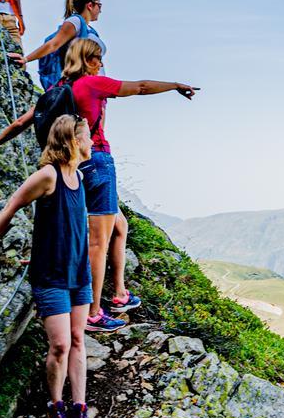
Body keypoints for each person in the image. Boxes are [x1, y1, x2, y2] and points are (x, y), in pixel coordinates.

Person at [0, 114, 96, 418]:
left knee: (78, 340)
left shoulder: (79, 177)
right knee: (60, 345)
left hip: (78, 275)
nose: (92, 141)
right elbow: (12, 207)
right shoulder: (47, 176)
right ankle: (56, 405)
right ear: (72, 141)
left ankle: (79, 407)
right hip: (51, 276)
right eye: (87, 136)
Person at [59, 38, 198, 331]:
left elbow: (32, 118)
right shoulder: (92, 83)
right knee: (98, 242)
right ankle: (92, 313)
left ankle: (119, 294)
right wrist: (174, 85)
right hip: (97, 160)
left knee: (119, 225)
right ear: (90, 61)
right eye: (99, 59)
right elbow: (141, 87)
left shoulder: (61, 88)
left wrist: (1, 138)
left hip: (74, 162)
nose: (102, 64)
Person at [23, 0, 105, 90]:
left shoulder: (91, 30)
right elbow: (53, 44)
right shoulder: (76, 21)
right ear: (90, 5)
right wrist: (25, 59)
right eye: (99, 6)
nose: (100, 10)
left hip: (92, 86)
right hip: (77, 85)